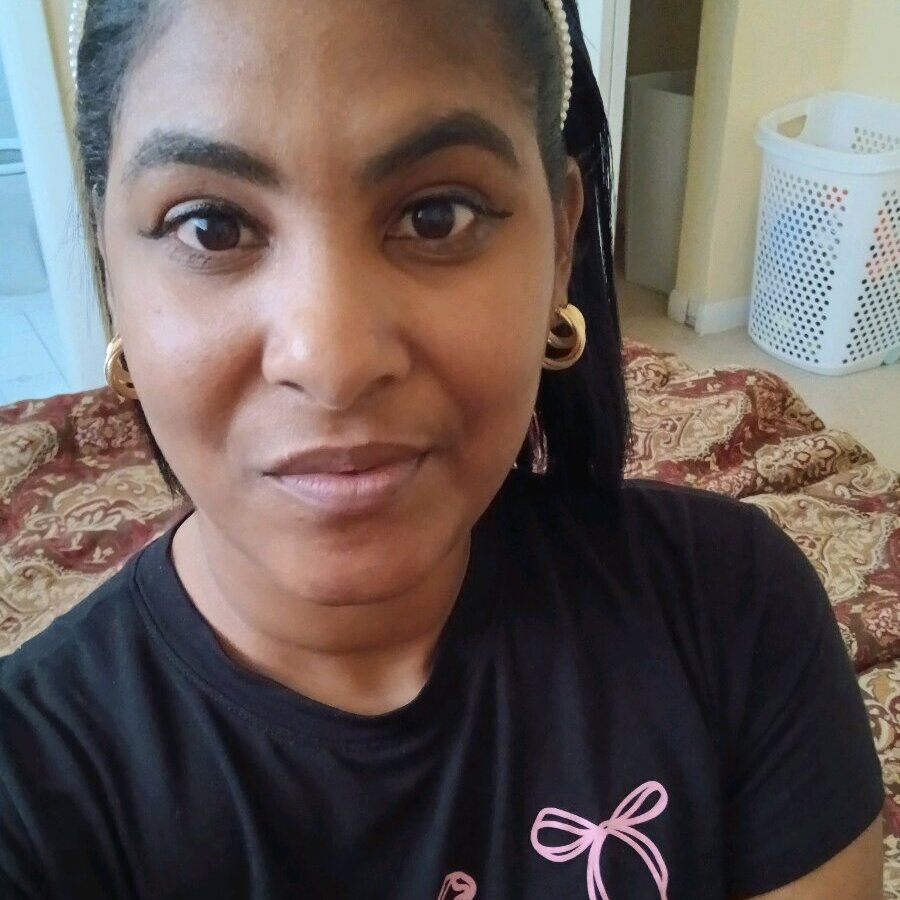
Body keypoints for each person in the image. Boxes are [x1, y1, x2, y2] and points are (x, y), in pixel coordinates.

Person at [0, 0, 884, 897]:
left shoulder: (732, 615)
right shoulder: (30, 794)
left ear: (561, 243)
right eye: (211, 227)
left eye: (434, 216)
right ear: (110, 266)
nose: (332, 362)